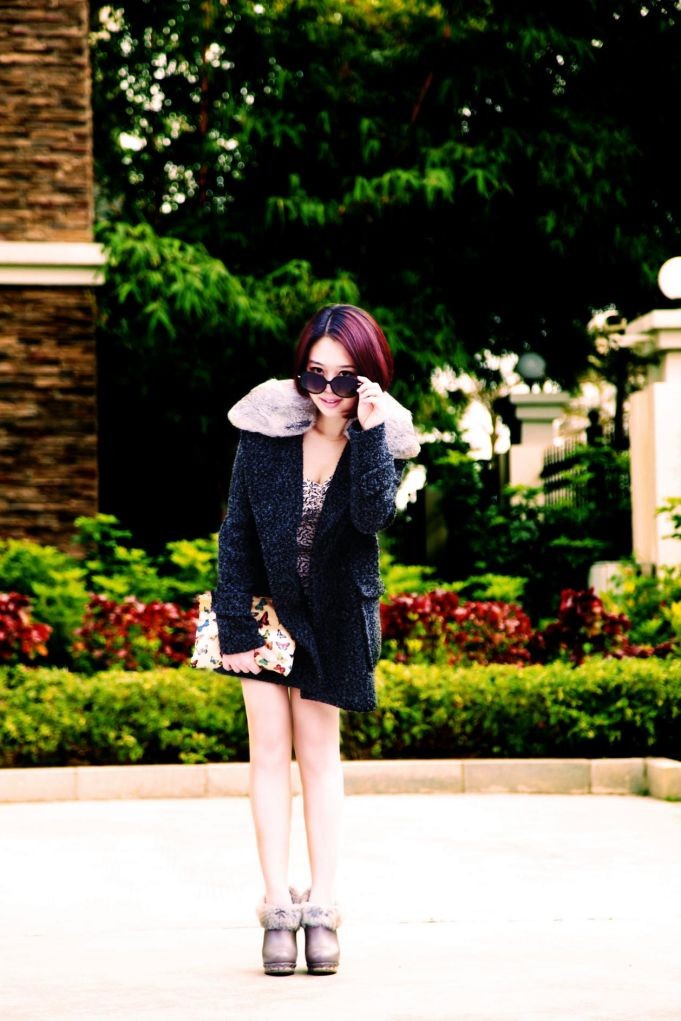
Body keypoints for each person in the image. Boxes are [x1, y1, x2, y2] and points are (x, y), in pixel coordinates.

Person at [213, 304, 420, 976]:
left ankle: (323, 907)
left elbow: (372, 516)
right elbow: (237, 534)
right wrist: (235, 627)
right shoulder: (265, 431)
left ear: (369, 378)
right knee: (269, 755)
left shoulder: (376, 440)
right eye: (315, 374)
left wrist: (369, 433)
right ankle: (279, 908)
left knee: (320, 758)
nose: (328, 390)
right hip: (266, 616)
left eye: (345, 378)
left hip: (333, 617)